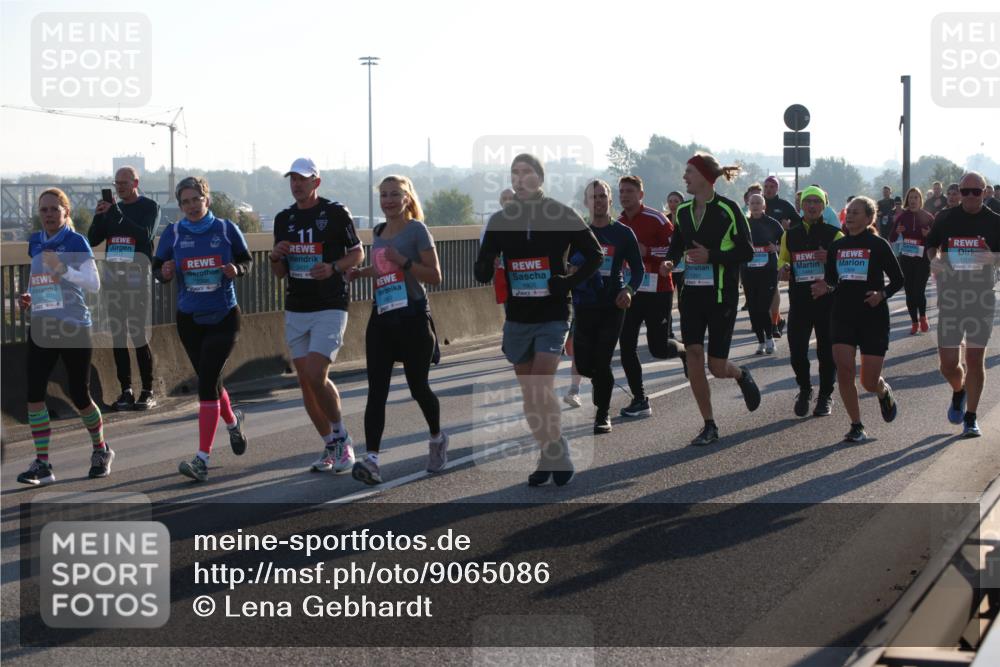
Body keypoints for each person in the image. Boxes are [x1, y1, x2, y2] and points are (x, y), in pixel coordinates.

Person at [474, 153, 602, 486]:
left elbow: (595, 254)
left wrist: (568, 282)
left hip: (553, 313)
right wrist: (484, 264)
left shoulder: (560, 213)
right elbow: (483, 265)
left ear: (539, 178)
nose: (519, 178)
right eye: (514, 173)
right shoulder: (501, 219)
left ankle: (556, 453)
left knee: (540, 387)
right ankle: (550, 450)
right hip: (517, 317)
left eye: (526, 172)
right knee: (530, 396)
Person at [348, 176, 446, 485]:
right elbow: (382, 270)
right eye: (384, 195)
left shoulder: (417, 230)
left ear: (407, 198)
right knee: (376, 392)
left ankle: (437, 437)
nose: (388, 200)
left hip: (413, 319)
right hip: (382, 318)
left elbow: (435, 276)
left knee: (419, 388)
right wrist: (360, 273)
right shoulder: (378, 233)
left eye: (394, 195)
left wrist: (403, 260)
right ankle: (373, 461)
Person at [270, 158, 364, 475]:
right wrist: (275, 257)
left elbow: (357, 252)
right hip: (297, 306)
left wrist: (334, 267)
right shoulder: (284, 219)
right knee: (306, 384)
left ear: (316, 182)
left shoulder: (335, 213)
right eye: (293, 179)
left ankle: (342, 437)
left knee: (315, 373)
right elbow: (279, 272)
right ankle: (329, 443)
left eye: (303, 179)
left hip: (330, 303)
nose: (297, 184)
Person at [153, 176, 251, 482]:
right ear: (180, 205)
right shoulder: (174, 232)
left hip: (223, 316)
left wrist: (237, 269)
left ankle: (202, 459)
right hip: (189, 319)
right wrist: (165, 272)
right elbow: (158, 269)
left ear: (206, 200)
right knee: (212, 381)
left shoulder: (224, 229)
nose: (192, 206)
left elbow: (246, 260)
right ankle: (233, 423)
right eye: (185, 202)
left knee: (206, 383)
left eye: (197, 199)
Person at [662, 152, 760, 446]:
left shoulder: (729, 210)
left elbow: (747, 252)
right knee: (693, 355)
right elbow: (677, 244)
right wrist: (669, 261)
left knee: (717, 367)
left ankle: (741, 374)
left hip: (721, 296)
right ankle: (709, 424)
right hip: (691, 295)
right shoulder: (682, 212)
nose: (684, 178)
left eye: (689, 172)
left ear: (704, 177)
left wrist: (712, 257)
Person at [17, 188, 113, 485]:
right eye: (43, 210)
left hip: (73, 325)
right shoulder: (35, 241)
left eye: (53, 210)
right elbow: (42, 277)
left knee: (79, 394)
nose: (48, 215)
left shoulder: (75, 241)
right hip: (43, 324)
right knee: (34, 394)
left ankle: (101, 450)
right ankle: (42, 463)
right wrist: (31, 296)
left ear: (65, 212)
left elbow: (93, 283)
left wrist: (64, 269)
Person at [811, 196, 903, 442]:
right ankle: (856, 424)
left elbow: (898, 279)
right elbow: (832, 280)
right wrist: (825, 287)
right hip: (842, 314)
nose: (849, 215)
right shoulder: (836, 247)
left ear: (869, 217)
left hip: (873, 316)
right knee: (844, 369)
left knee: (869, 381)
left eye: (856, 212)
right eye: (848, 211)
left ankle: (882, 390)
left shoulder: (878, 244)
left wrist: (881, 294)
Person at [925, 172, 1000, 437]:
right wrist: (933, 259)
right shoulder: (946, 218)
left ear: (984, 192)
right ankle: (959, 391)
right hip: (951, 296)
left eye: (975, 192)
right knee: (947, 364)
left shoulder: (994, 221)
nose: (969, 196)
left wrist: (990, 257)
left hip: (980, 297)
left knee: (975, 358)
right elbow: (931, 245)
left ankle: (971, 417)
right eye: (964, 191)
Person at [570, 179, 644, 433]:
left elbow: (638, 270)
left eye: (603, 196)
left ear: (610, 201)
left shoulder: (623, 233)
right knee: (583, 364)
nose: (599, 201)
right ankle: (602, 385)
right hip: (583, 305)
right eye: (594, 197)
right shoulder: (577, 234)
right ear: (586, 202)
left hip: (613, 304)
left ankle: (602, 413)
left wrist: (629, 290)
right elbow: (563, 268)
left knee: (602, 361)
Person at [89, 165, 160, 410]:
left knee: (138, 335)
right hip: (113, 281)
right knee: (118, 337)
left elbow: (144, 234)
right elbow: (92, 239)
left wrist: (116, 212)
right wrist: (100, 215)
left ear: (136, 183)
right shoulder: (110, 210)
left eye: (124, 183)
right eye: (117, 183)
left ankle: (148, 390)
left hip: (137, 281)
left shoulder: (149, 207)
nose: (119, 187)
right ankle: (126, 390)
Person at [778, 185, 844, 418]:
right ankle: (805, 389)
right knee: (797, 350)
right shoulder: (790, 234)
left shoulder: (835, 234)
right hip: (799, 301)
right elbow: (782, 261)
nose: (812, 206)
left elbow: (844, 270)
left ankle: (825, 395)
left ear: (823, 206)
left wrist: (830, 259)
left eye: (817, 202)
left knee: (826, 352)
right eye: (808, 202)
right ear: (801, 205)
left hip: (827, 302)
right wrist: (783, 269)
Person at [617, 175, 675, 418]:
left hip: (658, 291)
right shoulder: (618, 224)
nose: (625, 195)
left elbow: (675, 249)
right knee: (626, 346)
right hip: (632, 292)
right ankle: (640, 399)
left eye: (629, 191)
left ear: (641, 195)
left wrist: (648, 251)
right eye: (621, 191)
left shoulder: (657, 219)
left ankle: (685, 352)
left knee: (658, 348)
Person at [888, 187, 934, 335]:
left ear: (921, 200)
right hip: (906, 259)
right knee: (909, 292)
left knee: (919, 291)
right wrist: (897, 232)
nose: (913, 200)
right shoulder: (901, 217)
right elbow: (892, 238)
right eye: (911, 198)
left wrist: (929, 235)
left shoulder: (928, 217)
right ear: (907, 200)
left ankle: (923, 317)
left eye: (916, 198)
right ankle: (914, 322)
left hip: (922, 260)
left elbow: (936, 241)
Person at [742, 194, 784, 354]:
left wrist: (777, 248)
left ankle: (769, 338)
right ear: (748, 205)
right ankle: (760, 341)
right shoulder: (744, 223)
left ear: (764, 206)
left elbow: (786, 243)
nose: (755, 205)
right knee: (752, 308)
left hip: (768, 271)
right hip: (748, 271)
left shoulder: (772, 224)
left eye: (758, 202)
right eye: (752, 203)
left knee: (763, 307)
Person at [763, 176, 797, 338]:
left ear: (777, 189)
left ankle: (774, 323)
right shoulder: (758, 204)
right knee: (760, 292)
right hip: (758, 254)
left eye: (772, 186)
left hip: (777, 252)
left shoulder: (784, 205)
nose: (768, 189)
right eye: (766, 186)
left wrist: (788, 229)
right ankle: (777, 320)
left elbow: (799, 225)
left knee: (772, 287)